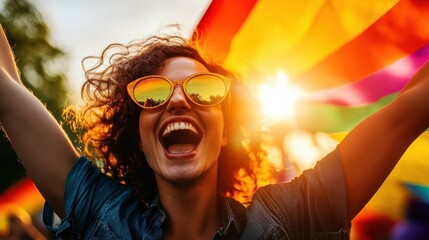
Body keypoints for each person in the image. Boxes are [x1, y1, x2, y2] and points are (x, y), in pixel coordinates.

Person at [1, 22, 428, 240]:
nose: (178, 100)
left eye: (205, 90)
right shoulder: (105, 216)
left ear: (226, 131)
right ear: (141, 137)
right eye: (152, 95)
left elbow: (412, 108)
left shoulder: (289, 218)